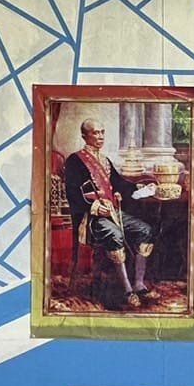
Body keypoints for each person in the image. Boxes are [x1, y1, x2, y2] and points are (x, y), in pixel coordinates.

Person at [62, 118, 157, 308]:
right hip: (90, 218)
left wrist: (141, 187)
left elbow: (119, 183)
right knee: (115, 235)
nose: (100, 136)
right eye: (95, 132)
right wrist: (95, 207)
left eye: (102, 132)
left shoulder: (105, 160)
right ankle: (127, 291)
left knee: (145, 230)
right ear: (85, 136)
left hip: (112, 212)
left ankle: (138, 284)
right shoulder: (75, 160)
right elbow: (72, 192)